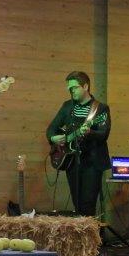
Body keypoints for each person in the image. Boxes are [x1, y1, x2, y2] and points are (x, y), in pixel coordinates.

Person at [47, 71, 111, 218]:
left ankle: (88, 231)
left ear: (85, 86)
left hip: (92, 161)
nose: (71, 91)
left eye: (74, 87)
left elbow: (104, 134)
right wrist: (53, 138)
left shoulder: (100, 109)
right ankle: (80, 230)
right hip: (72, 161)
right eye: (70, 88)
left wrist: (89, 132)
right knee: (77, 202)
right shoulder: (67, 106)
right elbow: (51, 129)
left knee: (88, 203)